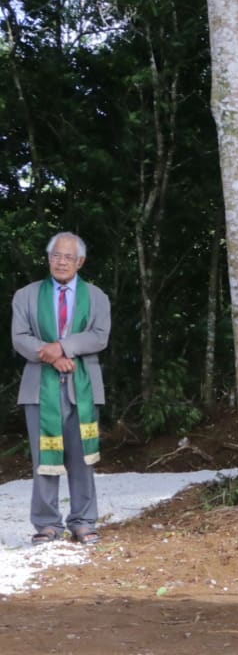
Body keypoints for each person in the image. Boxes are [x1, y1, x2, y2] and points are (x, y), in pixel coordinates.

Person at [12, 232, 111, 547]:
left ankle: (83, 521)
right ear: (48, 258)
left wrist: (62, 348)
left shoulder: (96, 297)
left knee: (83, 456)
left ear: (80, 261)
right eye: (56, 255)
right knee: (44, 455)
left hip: (83, 387)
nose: (61, 261)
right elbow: (20, 337)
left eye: (68, 257)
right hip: (39, 388)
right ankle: (47, 525)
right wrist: (52, 357)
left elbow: (99, 336)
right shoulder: (26, 295)